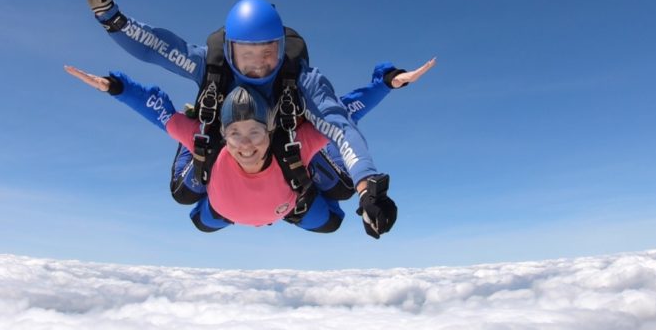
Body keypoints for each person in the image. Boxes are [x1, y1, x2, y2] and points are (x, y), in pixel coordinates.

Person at [77, 0, 433, 238]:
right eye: (247, 55)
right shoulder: (211, 66)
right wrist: (109, 15)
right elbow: (158, 48)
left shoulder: (300, 78)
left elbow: (341, 124)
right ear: (230, 50)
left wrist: (367, 186)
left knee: (335, 200)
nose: (260, 65)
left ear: (280, 48)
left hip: (283, 146)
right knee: (188, 199)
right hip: (224, 140)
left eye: (268, 53)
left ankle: (292, 189)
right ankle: (203, 150)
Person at [66, 62, 430, 234]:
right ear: (223, 132)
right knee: (186, 199)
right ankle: (194, 160)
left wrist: (385, 83)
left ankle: (313, 172)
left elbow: (346, 115)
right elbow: (156, 109)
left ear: (270, 130)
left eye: (255, 132)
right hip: (226, 208)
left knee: (336, 209)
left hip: (286, 204)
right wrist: (116, 86)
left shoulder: (293, 144)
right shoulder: (208, 142)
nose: (245, 144)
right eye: (235, 133)